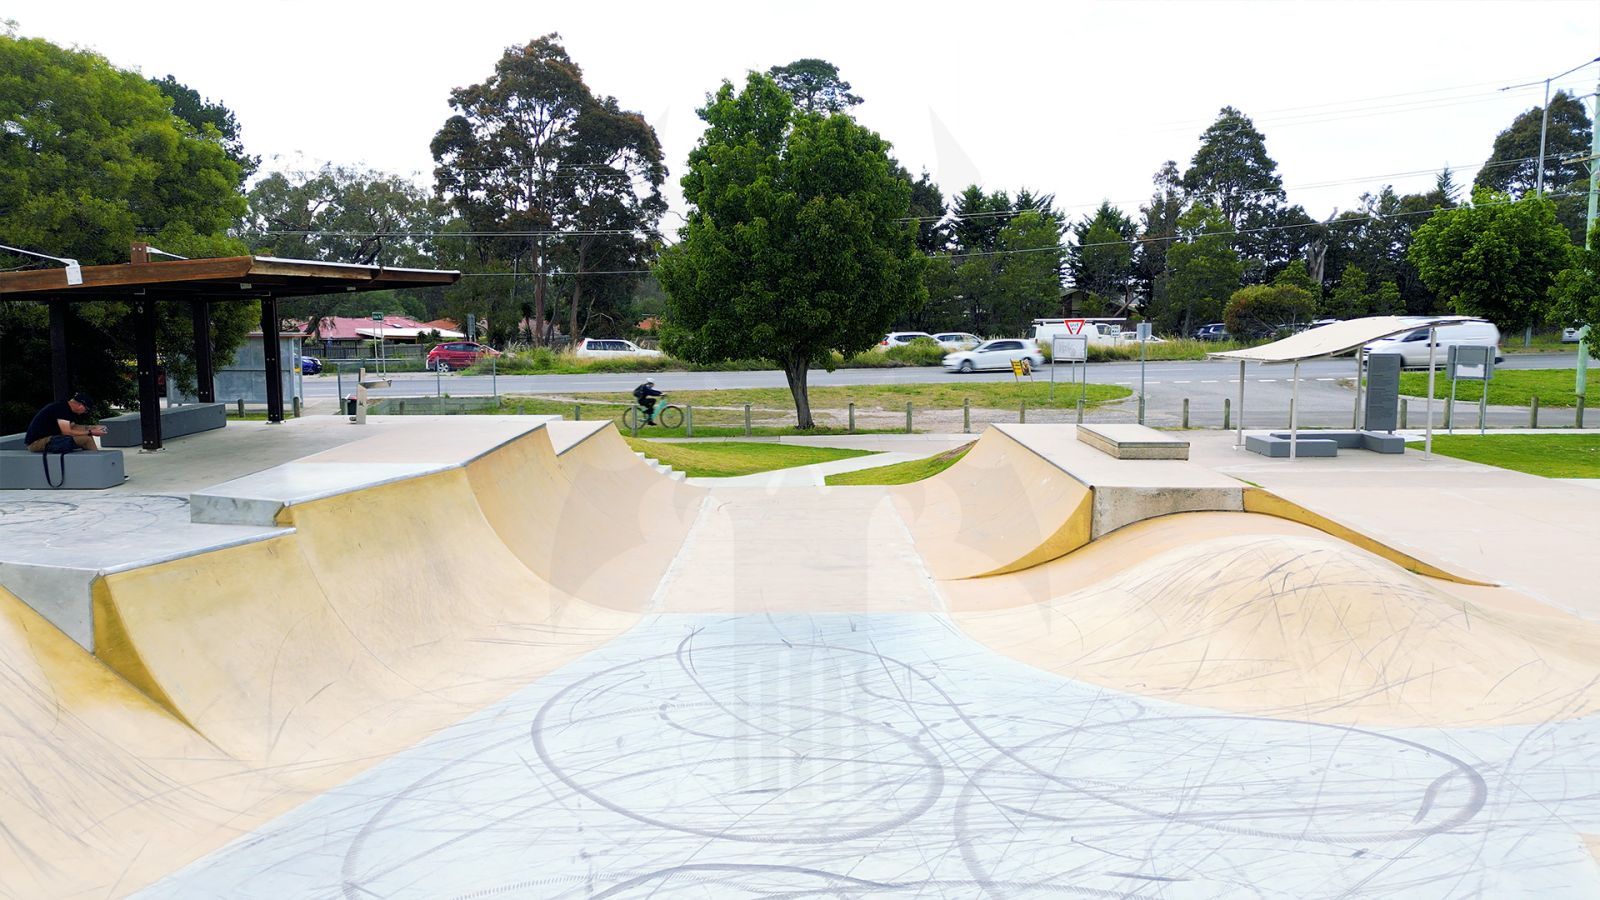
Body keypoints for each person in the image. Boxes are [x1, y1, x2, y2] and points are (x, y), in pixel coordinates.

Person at [24, 392, 107, 453]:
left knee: (84, 434)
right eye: (86, 410)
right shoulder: (62, 410)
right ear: (80, 405)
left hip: (50, 437)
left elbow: (73, 426)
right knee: (86, 439)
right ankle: (96, 464)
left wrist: (93, 427)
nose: (85, 412)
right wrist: (90, 432)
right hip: (36, 443)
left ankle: (91, 459)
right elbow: (67, 432)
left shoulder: (65, 407)